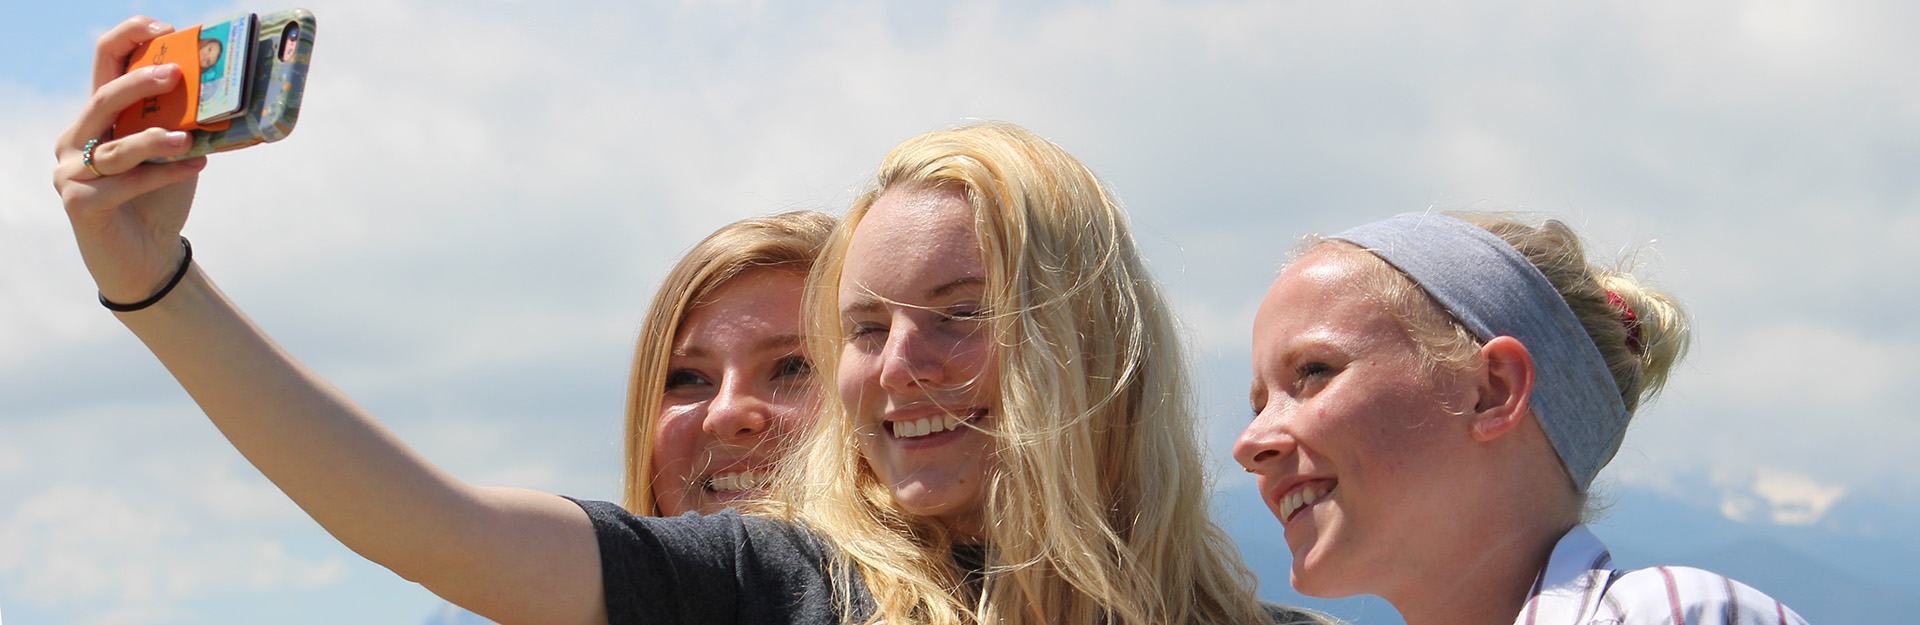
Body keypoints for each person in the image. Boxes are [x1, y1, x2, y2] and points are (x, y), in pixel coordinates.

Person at [55, 17, 1311, 625]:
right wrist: (155, 284)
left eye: (958, 313)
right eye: (865, 330)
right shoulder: (779, 589)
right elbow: (428, 526)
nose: (901, 368)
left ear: (1083, 335)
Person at [1232, 212, 1808, 625]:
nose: (1249, 442)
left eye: (1312, 371)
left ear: (1492, 390)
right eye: (1258, 404)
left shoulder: (1674, 615)